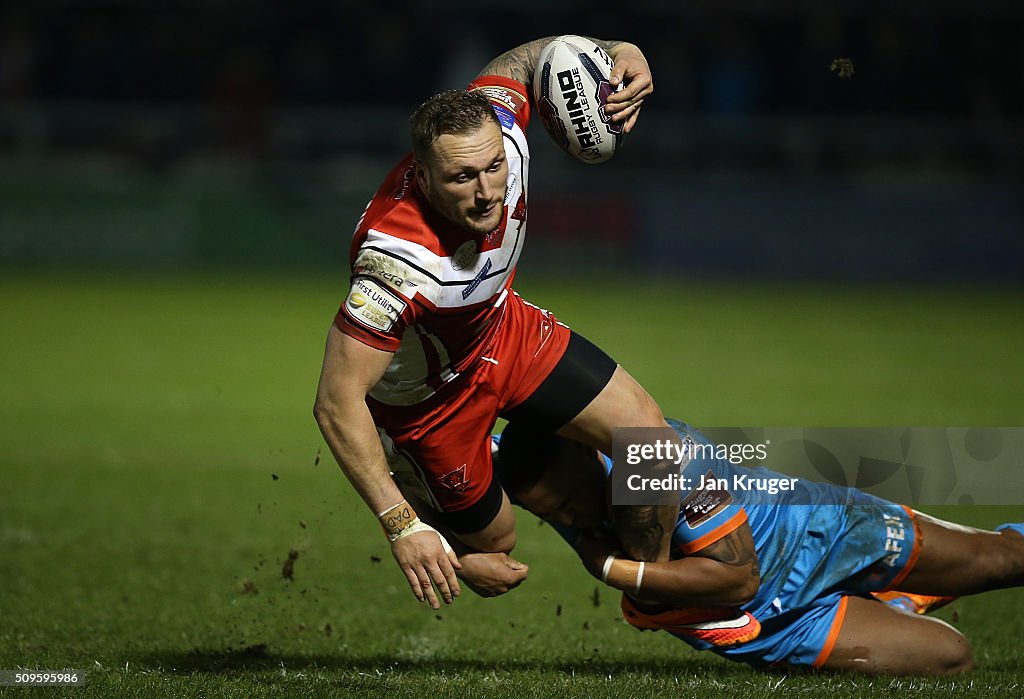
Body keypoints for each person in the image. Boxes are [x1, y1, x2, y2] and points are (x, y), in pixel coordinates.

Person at [313, 36, 681, 612]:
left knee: (649, 442)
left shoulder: (498, 128)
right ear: (425, 178)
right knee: (495, 547)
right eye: (463, 178)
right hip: (431, 403)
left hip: (502, 331)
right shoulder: (394, 265)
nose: (489, 192)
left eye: (494, 168)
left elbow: (528, 61)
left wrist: (622, 49)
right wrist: (402, 527)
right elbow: (337, 403)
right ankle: (422, 477)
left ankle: (655, 592)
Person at [492, 419, 1024, 675]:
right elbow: (423, 462)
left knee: (1003, 560)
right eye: (551, 515)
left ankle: (888, 592)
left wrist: (611, 568)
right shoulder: (522, 469)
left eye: (569, 503)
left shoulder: (663, 460)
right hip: (773, 622)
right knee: (952, 658)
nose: (568, 518)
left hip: (819, 528)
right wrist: (421, 533)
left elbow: (733, 579)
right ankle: (894, 605)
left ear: (590, 458)